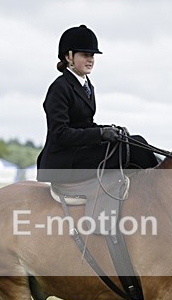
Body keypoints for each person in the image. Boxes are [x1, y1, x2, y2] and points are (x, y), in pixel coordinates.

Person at [36, 25, 158, 184]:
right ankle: (162, 182)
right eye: (85, 55)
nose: (91, 60)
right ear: (69, 57)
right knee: (133, 147)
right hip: (64, 160)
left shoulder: (87, 86)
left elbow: (84, 125)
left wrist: (109, 130)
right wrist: (100, 134)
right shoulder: (60, 87)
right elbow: (60, 134)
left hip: (81, 152)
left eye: (92, 55)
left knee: (135, 141)